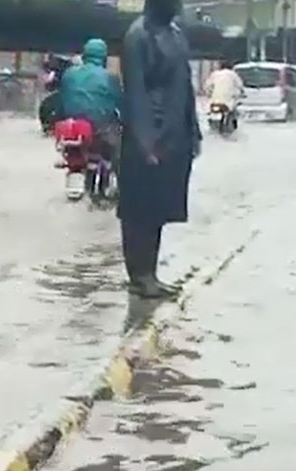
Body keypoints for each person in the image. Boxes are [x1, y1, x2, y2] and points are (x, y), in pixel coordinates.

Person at [119, 0, 202, 299]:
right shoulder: (138, 36)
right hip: (149, 138)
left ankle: (150, 273)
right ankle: (139, 276)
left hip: (175, 134)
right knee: (139, 210)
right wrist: (146, 142)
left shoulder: (176, 34)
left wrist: (194, 130)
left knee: (159, 210)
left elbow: (185, 86)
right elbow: (136, 92)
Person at [60, 39, 122, 170]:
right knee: (116, 147)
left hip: (72, 129)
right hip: (100, 130)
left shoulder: (69, 74)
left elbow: (62, 98)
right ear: (104, 57)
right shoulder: (109, 77)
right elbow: (120, 101)